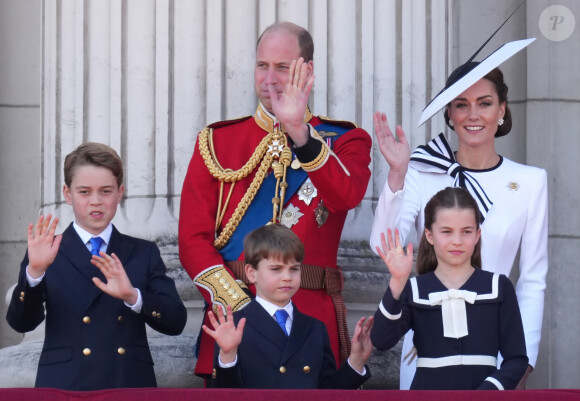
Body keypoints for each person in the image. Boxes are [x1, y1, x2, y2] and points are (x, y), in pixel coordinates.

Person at [179, 21, 372, 381]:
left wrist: (300, 132)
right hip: (232, 324)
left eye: (283, 67)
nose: (270, 77)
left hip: (310, 321)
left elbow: (346, 196)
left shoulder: (345, 140)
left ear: (308, 70)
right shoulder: (217, 142)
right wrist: (240, 308)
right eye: (262, 65)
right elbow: (192, 241)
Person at [370, 60, 547, 388]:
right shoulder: (420, 170)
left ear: (502, 110)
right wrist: (396, 175)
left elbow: (533, 279)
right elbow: (384, 243)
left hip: (495, 354)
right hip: (426, 351)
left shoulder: (530, 181)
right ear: (449, 114)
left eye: (485, 103)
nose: (473, 114)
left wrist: (524, 361)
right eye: (461, 105)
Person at [6, 143, 187, 390]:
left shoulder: (143, 252)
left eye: (105, 191)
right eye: (84, 192)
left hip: (127, 382)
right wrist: (35, 273)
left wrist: (132, 296)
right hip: (65, 384)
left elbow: (176, 322)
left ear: (120, 193)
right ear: (67, 194)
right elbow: (21, 323)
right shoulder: (46, 251)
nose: (95, 201)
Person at [371, 187, 528, 390]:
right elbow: (381, 340)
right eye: (447, 232)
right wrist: (397, 282)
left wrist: (487, 392)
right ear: (429, 235)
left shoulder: (499, 287)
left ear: (478, 234)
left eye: (466, 232)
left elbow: (517, 359)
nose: (457, 241)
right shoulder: (415, 289)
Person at [202, 224, 373, 389]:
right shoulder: (235, 326)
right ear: (251, 273)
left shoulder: (315, 328)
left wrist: (356, 361)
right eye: (276, 269)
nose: (287, 277)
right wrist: (227, 356)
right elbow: (224, 394)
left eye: (294, 269)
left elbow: (328, 393)